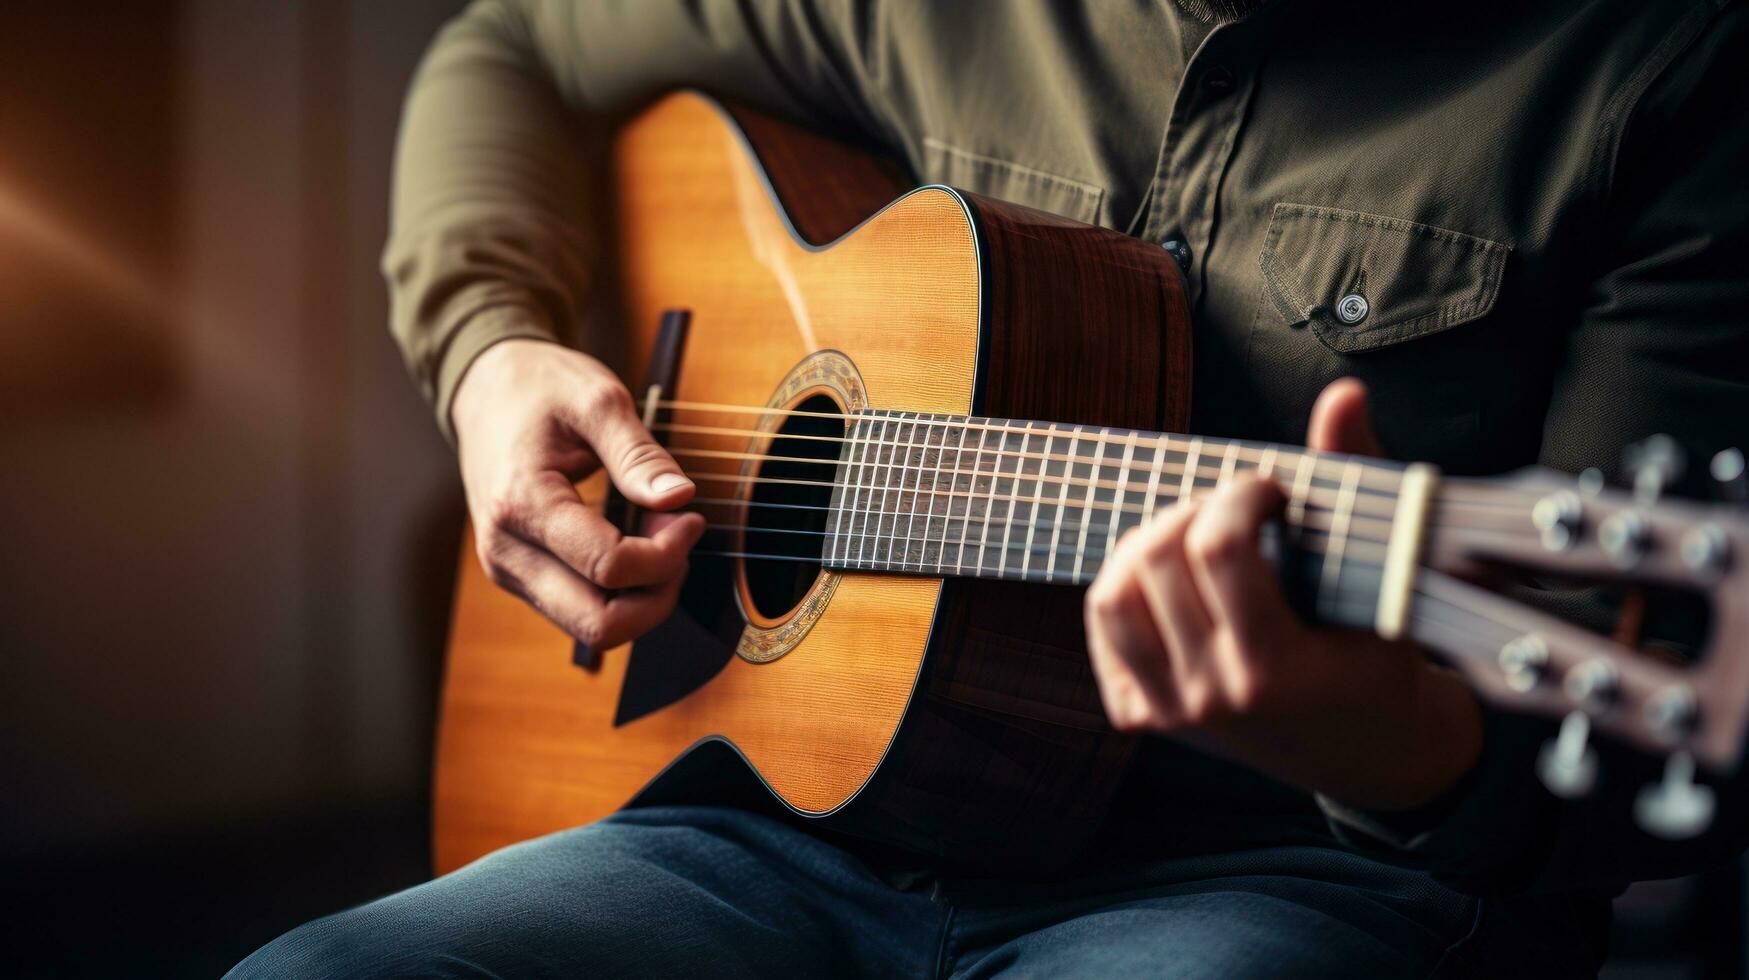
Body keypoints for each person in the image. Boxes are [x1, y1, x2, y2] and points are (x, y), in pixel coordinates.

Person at [232, 0, 1749, 975]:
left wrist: (1378, 734)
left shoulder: (1665, 70)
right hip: (777, 814)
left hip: (1296, 884)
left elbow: (1636, 761)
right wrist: (490, 356)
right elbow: (511, 52)